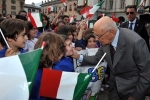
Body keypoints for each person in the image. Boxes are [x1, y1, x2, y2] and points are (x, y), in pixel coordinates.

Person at [72, 16, 150, 100]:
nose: (97, 39)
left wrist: (136, 96)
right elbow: (96, 59)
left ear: (111, 32)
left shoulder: (135, 42)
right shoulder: (105, 39)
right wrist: (78, 56)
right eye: (96, 35)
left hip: (132, 89)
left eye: (99, 36)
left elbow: (146, 74)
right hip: (114, 88)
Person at [30, 32, 66, 100]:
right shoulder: (37, 74)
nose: (62, 52)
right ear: (53, 51)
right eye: (60, 49)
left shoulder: (56, 68)